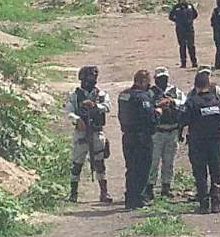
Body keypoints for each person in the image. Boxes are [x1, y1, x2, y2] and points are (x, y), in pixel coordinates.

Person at [182, 69, 220, 214]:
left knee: (200, 172)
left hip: (198, 143)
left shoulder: (192, 102)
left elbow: (183, 120)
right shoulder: (218, 101)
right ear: (209, 85)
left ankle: (204, 203)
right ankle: (216, 202)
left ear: (196, 86)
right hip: (215, 142)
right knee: (216, 172)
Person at [65, 65, 112, 204]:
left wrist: (95, 106)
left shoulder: (101, 94)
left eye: (94, 77)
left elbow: (107, 107)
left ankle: (104, 192)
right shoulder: (74, 95)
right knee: (77, 163)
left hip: (97, 131)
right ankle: (73, 193)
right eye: (90, 77)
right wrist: (77, 119)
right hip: (81, 133)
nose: (92, 80)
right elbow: (69, 112)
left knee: (99, 162)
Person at [119, 70, 159, 209]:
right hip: (141, 139)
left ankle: (130, 198)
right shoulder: (142, 97)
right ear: (142, 81)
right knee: (142, 169)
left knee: (130, 168)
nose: (149, 85)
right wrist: (158, 111)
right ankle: (137, 199)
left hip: (127, 137)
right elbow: (150, 118)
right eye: (148, 82)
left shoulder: (123, 95)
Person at [148, 67, 185, 201]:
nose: (163, 80)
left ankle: (166, 186)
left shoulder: (174, 91)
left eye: (165, 78)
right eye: (160, 78)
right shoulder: (150, 92)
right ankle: (150, 187)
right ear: (155, 79)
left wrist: (172, 102)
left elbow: (185, 103)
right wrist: (158, 105)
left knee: (169, 161)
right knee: (153, 161)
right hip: (157, 131)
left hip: (173, 129)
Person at [168, 0, 199, 69]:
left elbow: (195, 15)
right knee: (182, 46)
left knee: (191, 46)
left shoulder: (190, 6)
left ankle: (194, 62)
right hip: (180, 29)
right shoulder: (176, 7)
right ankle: (183, 63)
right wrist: (178, 21)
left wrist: (190, 20)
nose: (184, 0)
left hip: (189, 28)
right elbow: (171, 17)